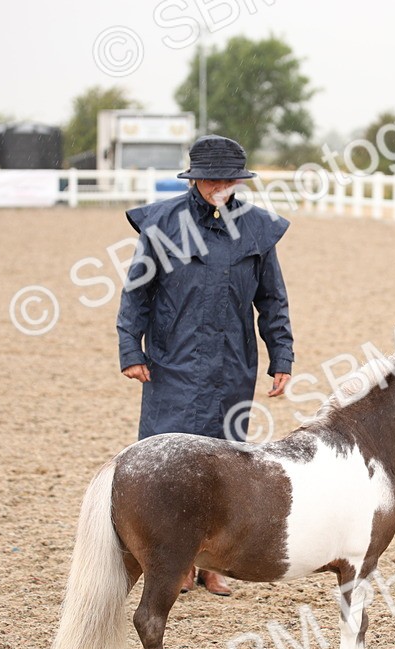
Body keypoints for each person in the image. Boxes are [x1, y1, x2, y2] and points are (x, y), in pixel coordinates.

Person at [117, 134, 295, 594]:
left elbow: (272, 300)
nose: (219, 186)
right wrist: (130, 351)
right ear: (194, 178)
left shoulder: (258, 228)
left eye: (228, 178)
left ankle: (214, 564)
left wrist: (282, 357)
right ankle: (172, 565)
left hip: (232, 364)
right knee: (167, 465)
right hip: (172, 363)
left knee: (225, 467)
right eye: (211, 178)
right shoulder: (161, 224)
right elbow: (136, 294)